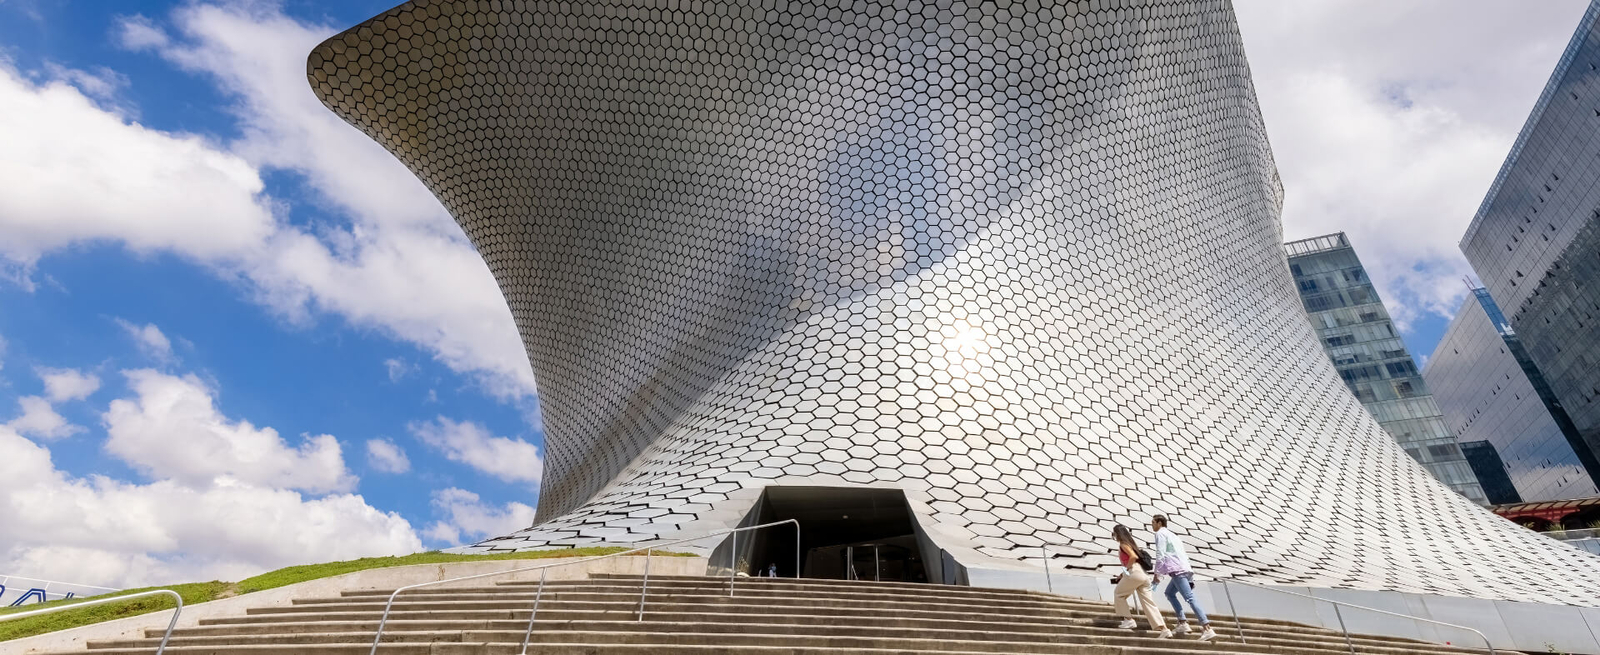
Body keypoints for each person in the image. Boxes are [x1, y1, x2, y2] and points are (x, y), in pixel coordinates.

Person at [1151, 514, 1217, 642]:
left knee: (1190, 598)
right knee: (1169, 593)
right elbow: (1182, 554)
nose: (1152, 525)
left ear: (1159, 523)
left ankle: (1207, 628)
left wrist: (1156, 574)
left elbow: (1160, 554)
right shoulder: (1174, 536)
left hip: (1177, 570)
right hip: (1184, 569)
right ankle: (1182, 623)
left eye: (1153, 522)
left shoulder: (1160, 534)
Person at [1110, 524, 1170, 637]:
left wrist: (1126, 570)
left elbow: (1133, 557)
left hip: (1134, 572)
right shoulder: (1132, 544)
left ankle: (1129, 620)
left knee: (1119, 594)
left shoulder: (1123, 544)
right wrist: (1122, 574)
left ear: (1118, 534)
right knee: (1149, 603)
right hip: (1143, 575)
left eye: (1114, 533)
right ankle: (1164, 629)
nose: (1114, 536)